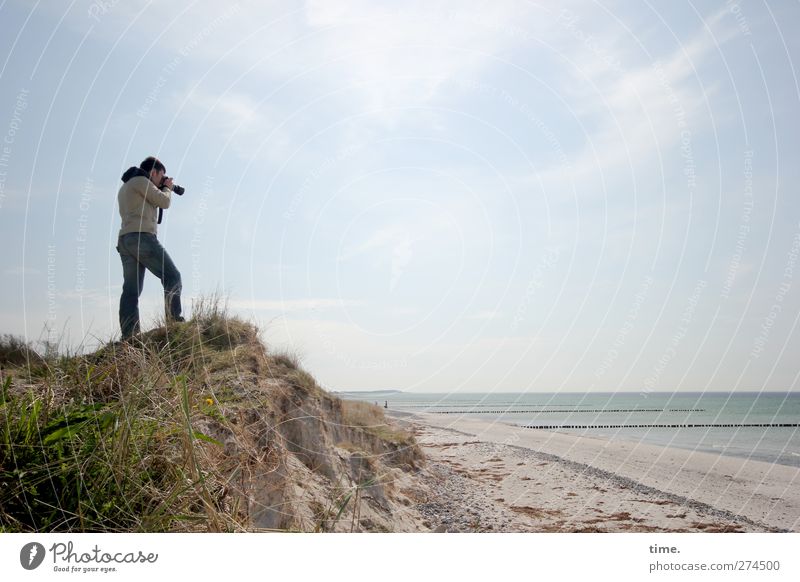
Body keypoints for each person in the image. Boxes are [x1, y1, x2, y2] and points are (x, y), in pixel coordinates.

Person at [116, 156, 184, 339]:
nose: (161, 180)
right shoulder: (141, 181)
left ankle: (129, 335)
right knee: (172, 276)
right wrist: (167, 188)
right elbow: (164, 202)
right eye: (161, 176)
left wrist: (162, 186)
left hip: (125, 240)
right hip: (141, 238)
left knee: (131, 291)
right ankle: (174, 322)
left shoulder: (127, 186)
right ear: (153, 172)